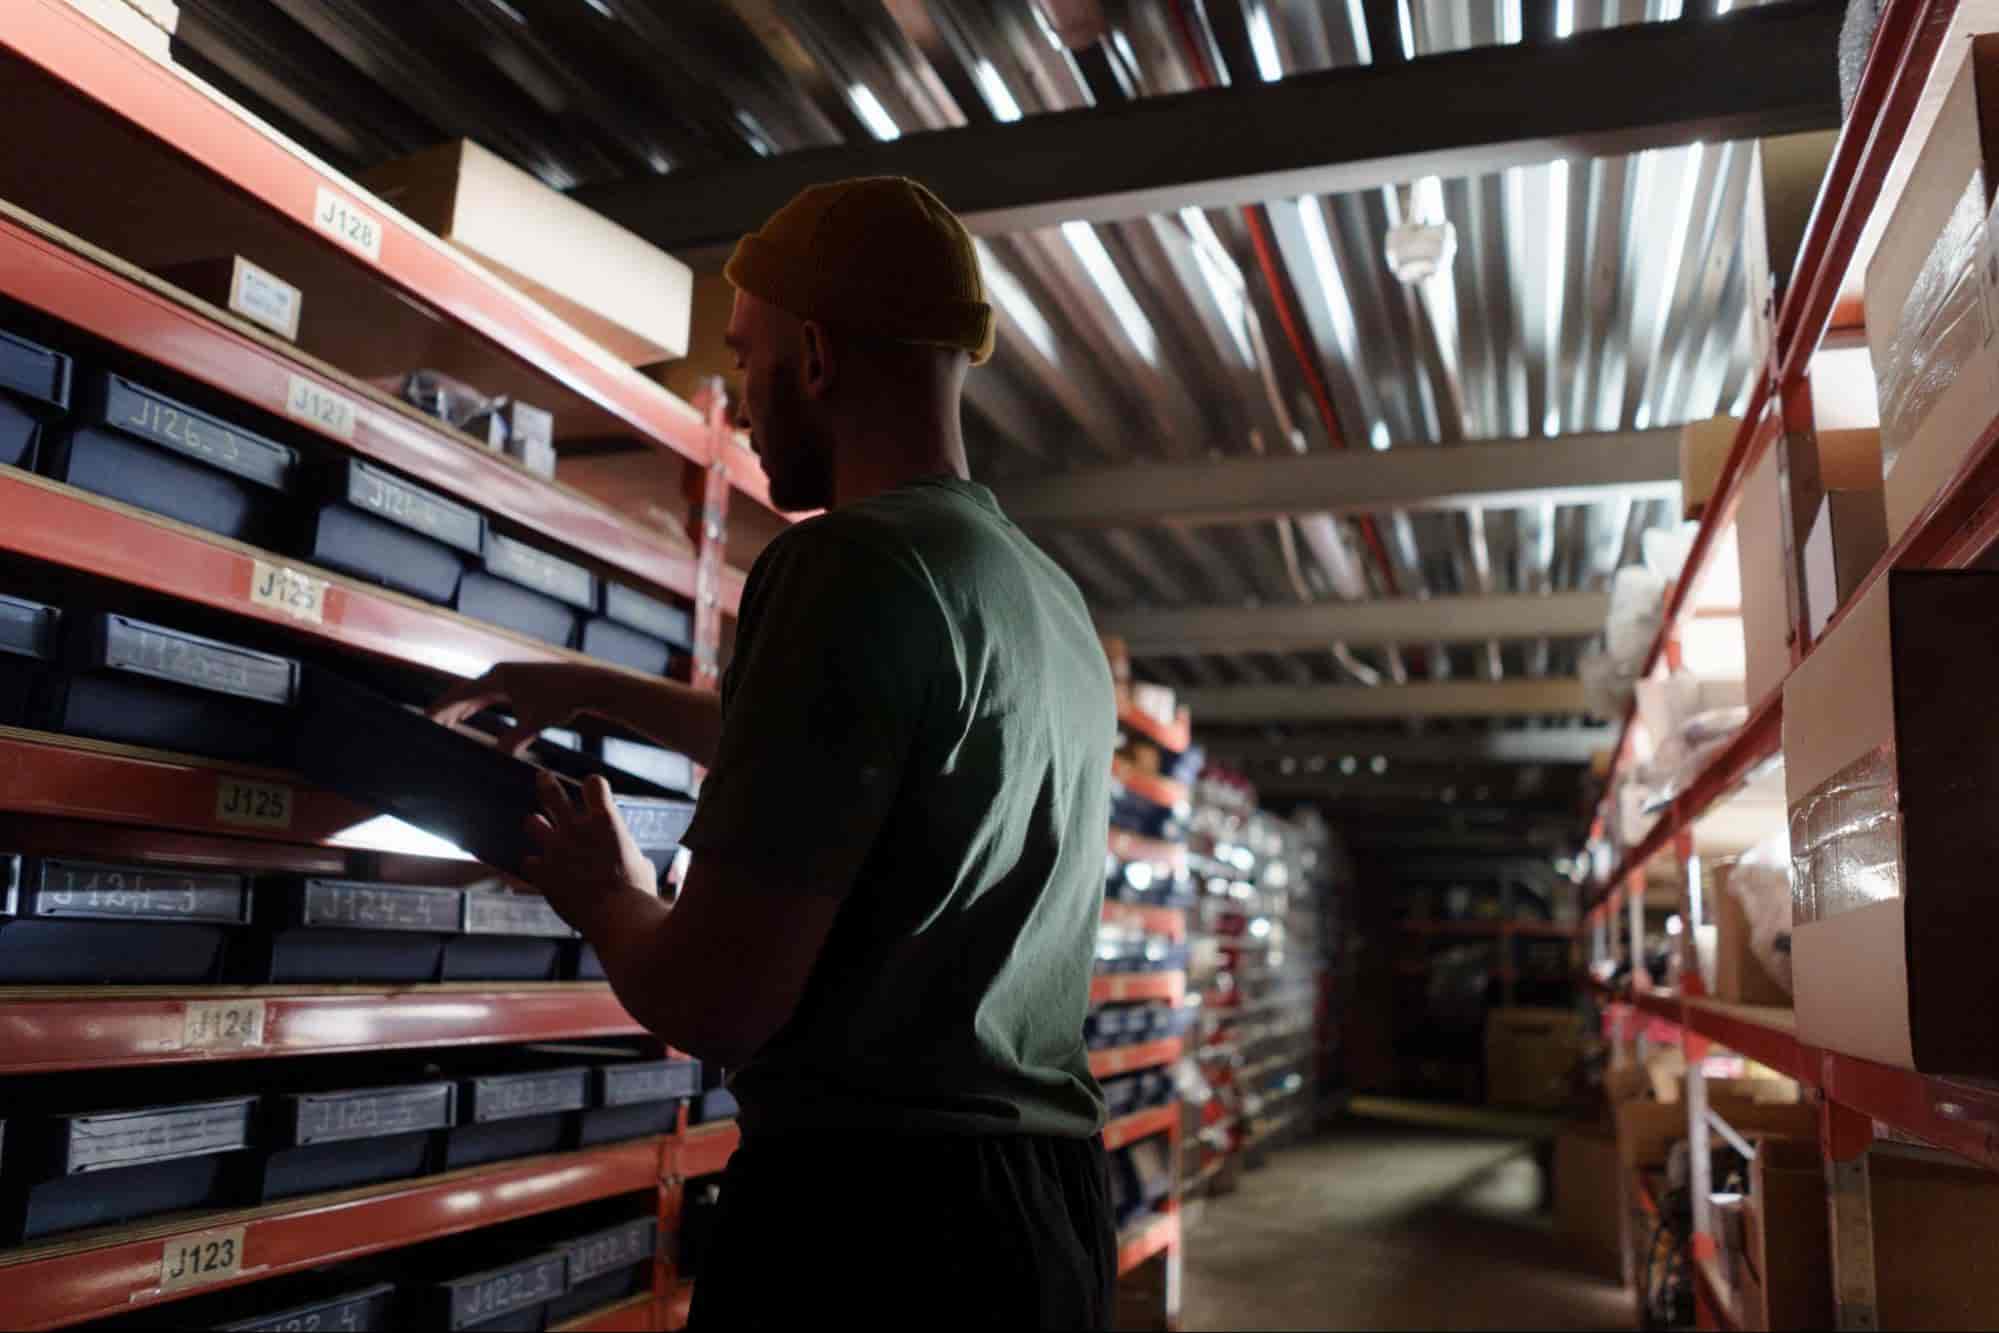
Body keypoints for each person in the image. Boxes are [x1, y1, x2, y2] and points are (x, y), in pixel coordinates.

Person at [432, 176, 1118, 1329]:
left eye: (746, 359)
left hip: (877, 1232)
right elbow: (871, 754)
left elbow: (718, 1003)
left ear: (814, 355)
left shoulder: (844, 565)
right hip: (1041, 1220)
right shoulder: (1039, 599)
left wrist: (611, 895)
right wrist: (592, 687)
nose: (742, 403)